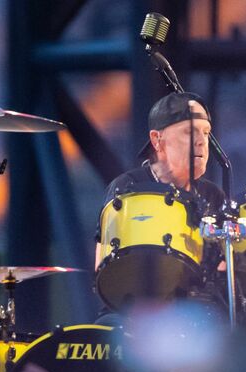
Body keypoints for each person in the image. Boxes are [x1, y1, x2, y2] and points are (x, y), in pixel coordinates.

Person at [94, 92, 226, 322]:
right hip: (133, 311)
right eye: (189, 132)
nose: (201, 141)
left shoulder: (212, 195)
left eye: (206, 133)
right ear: (157, 140)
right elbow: (102, 265)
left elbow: (224, 270)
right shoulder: (128, 187)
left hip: (197, 314)